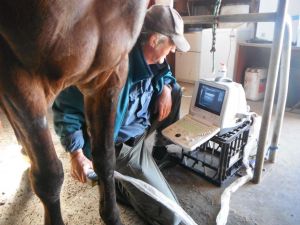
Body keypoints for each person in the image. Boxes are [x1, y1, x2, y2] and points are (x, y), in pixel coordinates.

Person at [52, 5, 190, 225]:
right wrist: (76, 153)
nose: (173, 50)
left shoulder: (154, 58)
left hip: (141, 131)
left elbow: (166, 73)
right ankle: (116, 180)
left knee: (174, 90)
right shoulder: (108, 67)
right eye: (172, 44)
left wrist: (165, 87)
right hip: (120, 148)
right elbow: (65, 108)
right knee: (172, 216)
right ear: (154, 40)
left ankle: (156, 153)